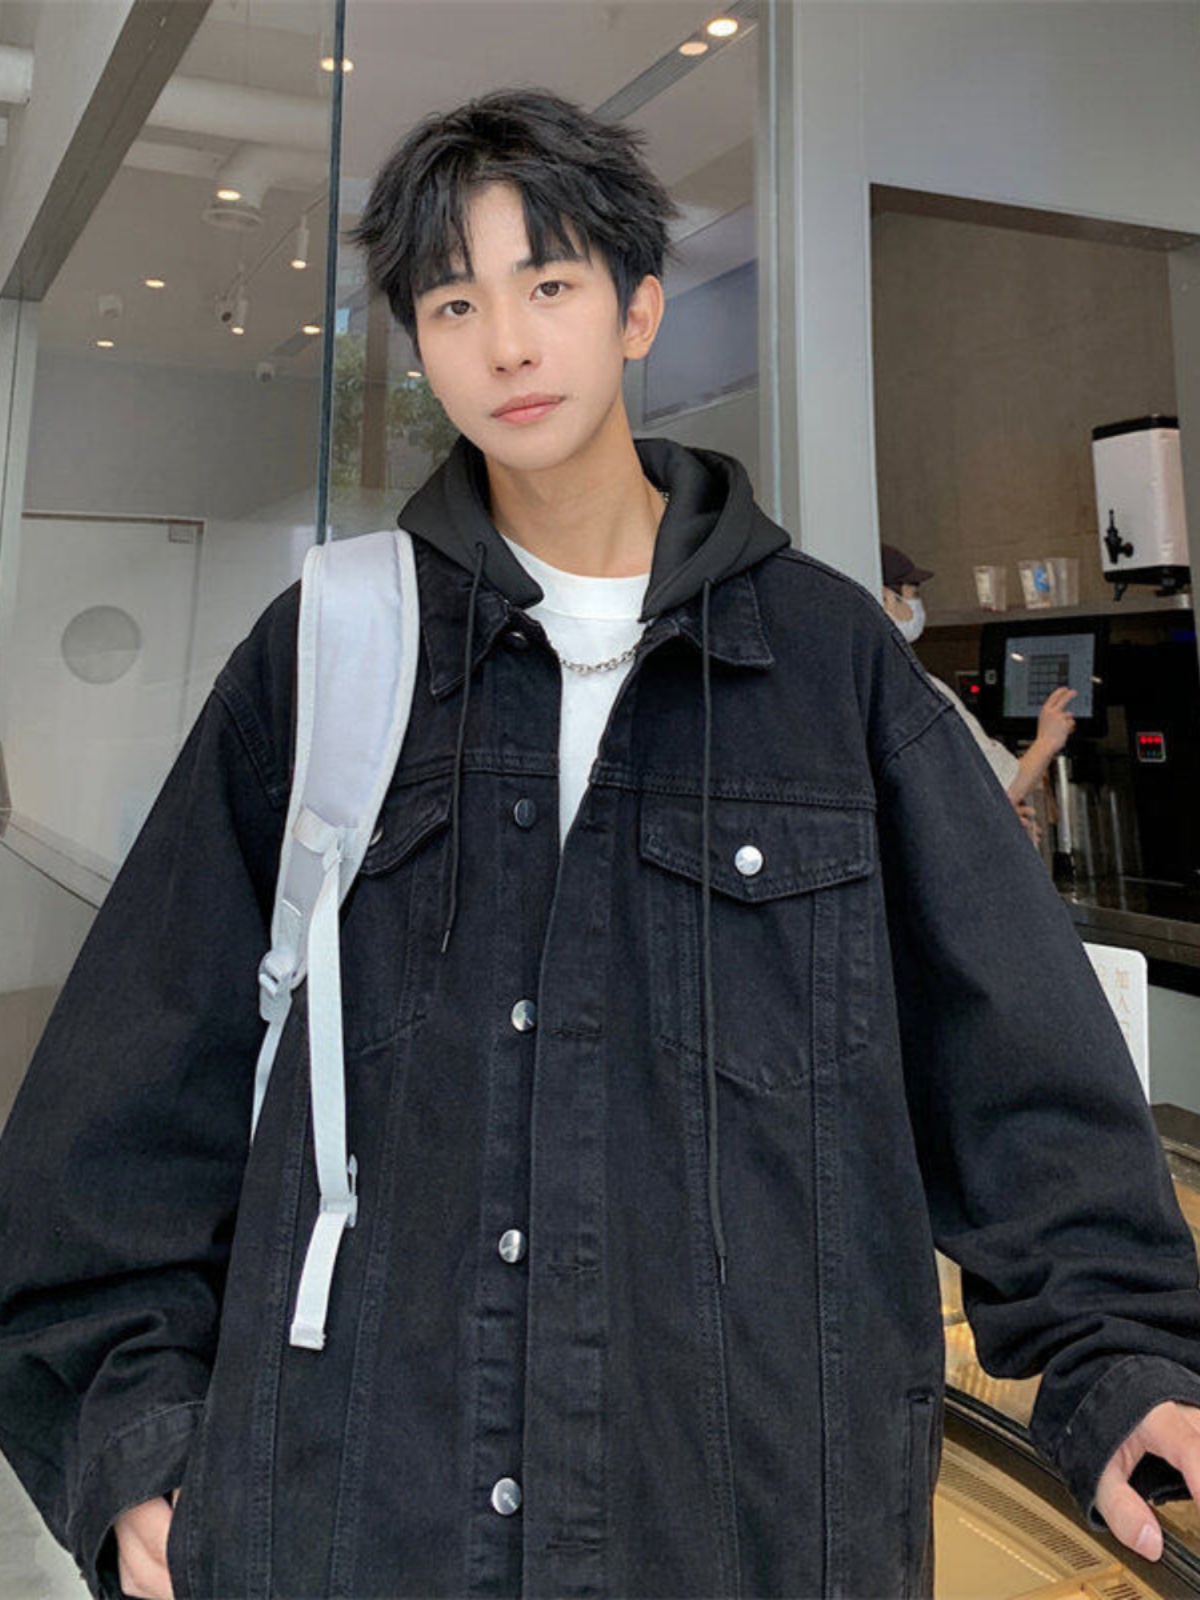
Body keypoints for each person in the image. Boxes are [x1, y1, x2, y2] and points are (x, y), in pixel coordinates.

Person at [3, 87, 1200, 1600]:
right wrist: (134, 1435)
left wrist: (1123, 1359)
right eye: (455, 302)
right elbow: (123, 1106)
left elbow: (1017, 1057)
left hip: (746, 1518)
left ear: (638, 311)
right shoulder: (326, 655)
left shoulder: (826, 661)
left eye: (550, 285)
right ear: (419, 343)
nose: (506, 343)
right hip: (368, 1513)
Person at [880, 542, 1078, 849]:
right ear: (885, 598)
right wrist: (1048, 739)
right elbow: (1004, 786)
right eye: (913, 592)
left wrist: (987, 816)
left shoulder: (861, 680)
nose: (917, 603)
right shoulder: (918, 687)